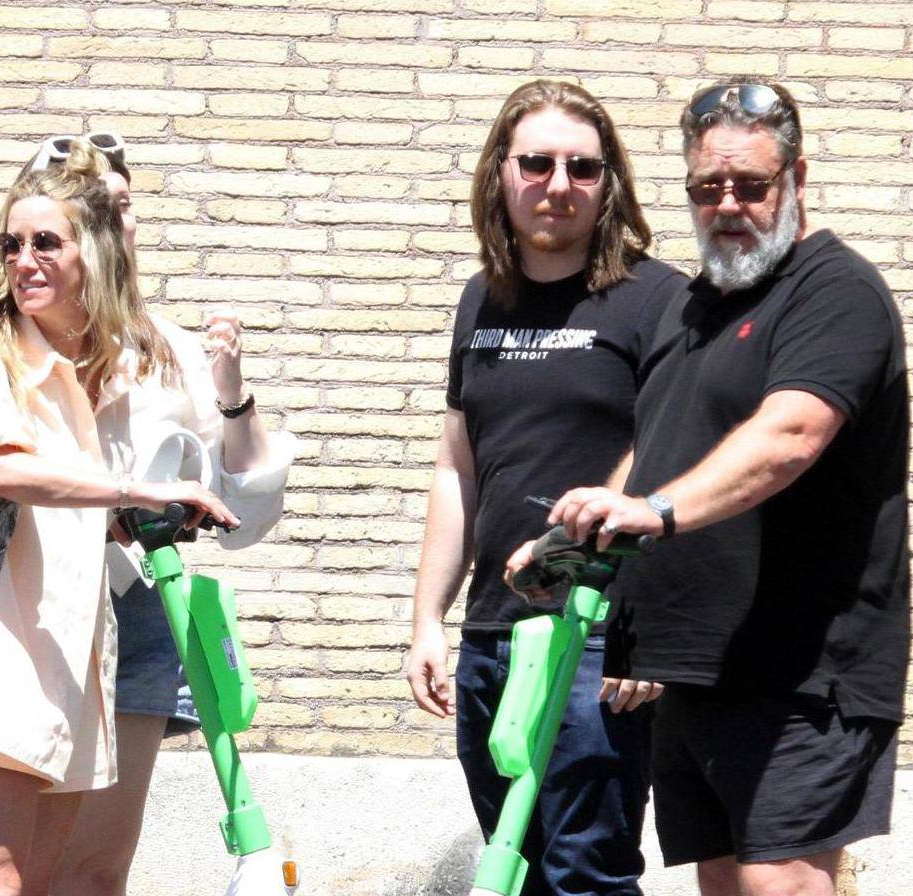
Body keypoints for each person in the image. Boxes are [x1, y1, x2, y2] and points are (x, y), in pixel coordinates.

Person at [510, 80, 910, 896]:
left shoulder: (834, 292)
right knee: (725, 885)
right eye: (707, 187)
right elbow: (657, 452)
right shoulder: (692, 308)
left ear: (796, 178)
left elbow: (788, 437)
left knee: (781, 882)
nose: (728, 204)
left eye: (752, 185)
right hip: (694, 668)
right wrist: (577, 535)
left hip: (803, 667)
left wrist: (652, 513)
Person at [405, 80, 687, 896]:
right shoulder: (479, 299)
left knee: (585, 873)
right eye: (536, 163)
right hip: (494, 636)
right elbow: (457, 465)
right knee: (511, 870)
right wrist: (429, 617)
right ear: (501, 172)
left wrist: (647, 629)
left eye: (582, 168)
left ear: (610, 184)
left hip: (598, 636)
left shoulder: (656, 299)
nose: (558, 184)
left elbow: (672, 460)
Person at [0, 145, 236, 896]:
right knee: (4, 881)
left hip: (77, 658)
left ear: (96, 253)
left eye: (46, 242)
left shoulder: (95, 371)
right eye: (11, 244)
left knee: (48, 885)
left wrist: (127, 523)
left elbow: (60, 512)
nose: (24, 260)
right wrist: (135, 491)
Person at [29, 137, 295, 896]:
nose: (123, 222)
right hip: (26, 614)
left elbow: (243, 510)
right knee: (14, 868)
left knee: (96, 871)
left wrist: (232, 392)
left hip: (137, 614)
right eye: (102, 208)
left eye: (127, 205)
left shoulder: (165, 350)